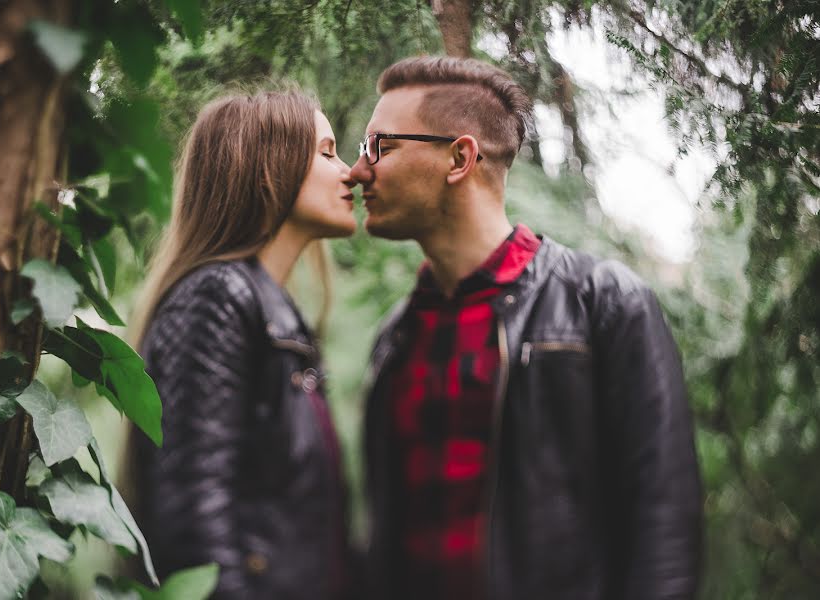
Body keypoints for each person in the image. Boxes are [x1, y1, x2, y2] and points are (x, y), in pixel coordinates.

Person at [351, 56, 702, 600]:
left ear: (459, 158)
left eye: (381, 147)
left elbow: (665, 531)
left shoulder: (604, 305)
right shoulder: (396, 337)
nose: (359, 170)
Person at [127, 89, 356, 599]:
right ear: (270, 168)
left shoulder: (277, 313)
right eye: (327, 151)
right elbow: (193, 520)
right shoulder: (218, 299)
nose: (352, 171)